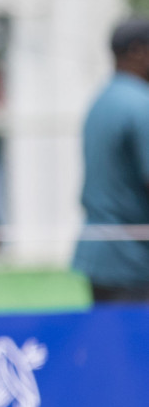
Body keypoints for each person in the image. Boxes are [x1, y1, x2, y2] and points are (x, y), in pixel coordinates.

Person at [73, 18, 149, 303]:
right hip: (134, 261)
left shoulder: (101, 100)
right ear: (138, 51)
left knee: (109, 344)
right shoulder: (142, 104)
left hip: (100, 256)